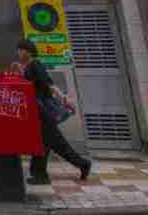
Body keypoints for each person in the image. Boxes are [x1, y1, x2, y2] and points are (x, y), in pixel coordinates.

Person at [15, 38, 91, 184]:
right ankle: (40, 174)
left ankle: (82, 164)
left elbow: (49, 83)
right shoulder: (30, 66)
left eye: (20, 50)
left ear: (27, 51)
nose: (18, 52)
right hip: (38, 111)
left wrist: (64, 98)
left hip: (43, 111)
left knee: (54, 144)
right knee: (46, 143)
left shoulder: (35, 64)